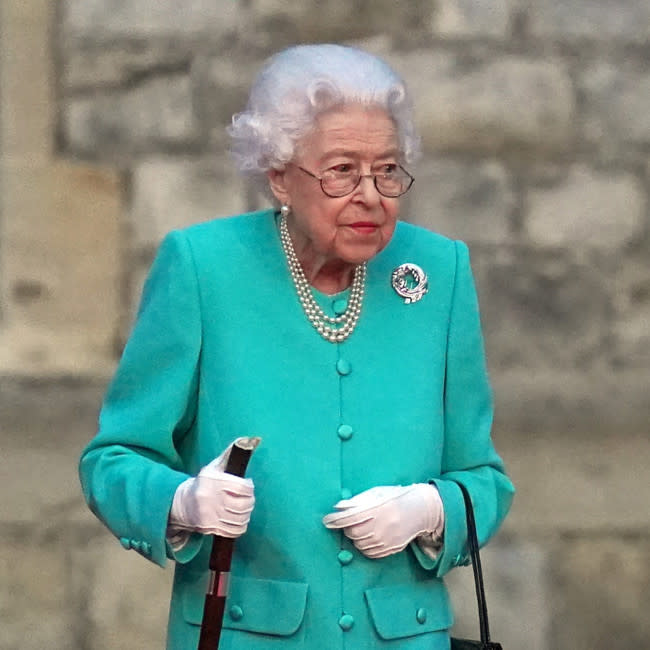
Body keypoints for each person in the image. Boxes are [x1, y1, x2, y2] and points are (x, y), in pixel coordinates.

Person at [79, 43, 515, 650]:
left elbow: (484, 478)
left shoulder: (439, 271)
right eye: (341, 170)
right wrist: (181, 501)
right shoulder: (204, 268)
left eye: (388, 169)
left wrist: (433, 509)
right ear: (279, 175)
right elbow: (113, 459)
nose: (371, 194)